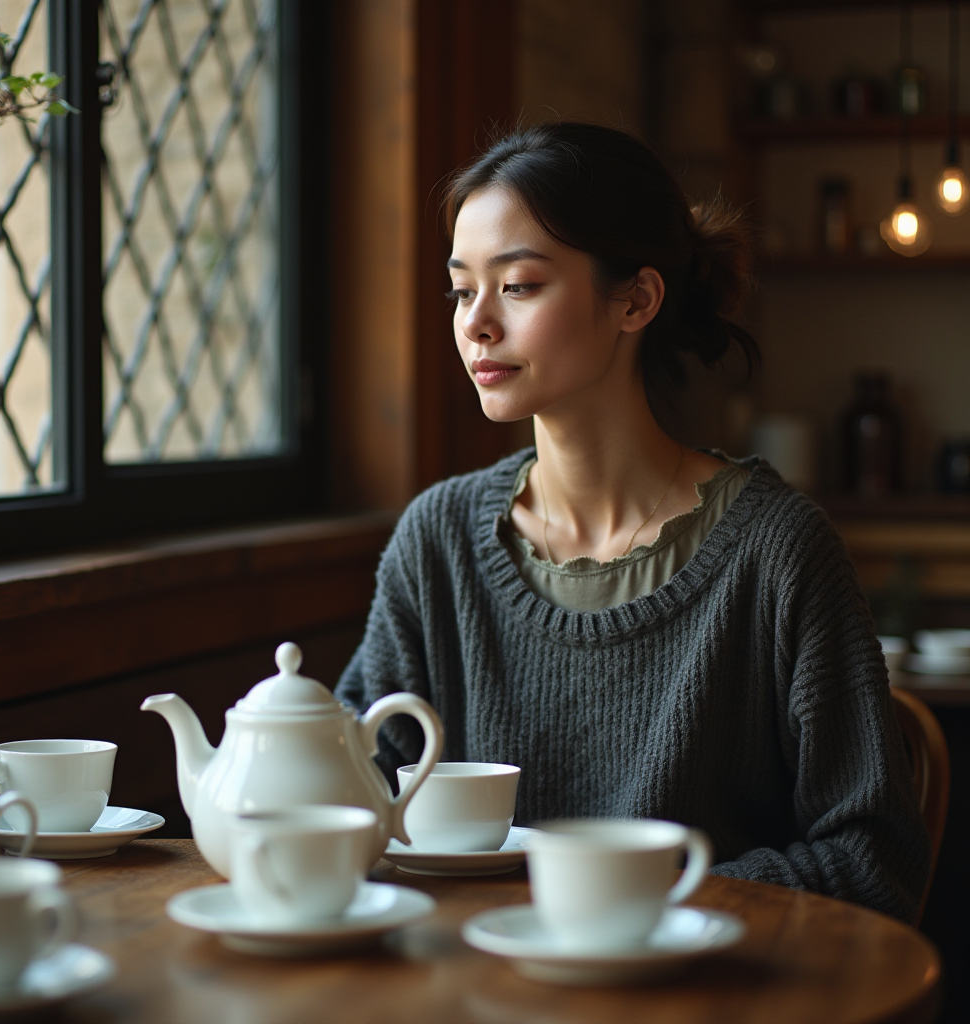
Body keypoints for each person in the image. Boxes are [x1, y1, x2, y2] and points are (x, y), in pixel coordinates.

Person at [335, 122, 930, 923]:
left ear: (636, 299)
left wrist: (633, 905)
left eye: (517, 286)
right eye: (460, 289)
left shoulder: (777, 551)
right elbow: (351, 800)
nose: (475, 322)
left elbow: (872, 861)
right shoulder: (436, 539)